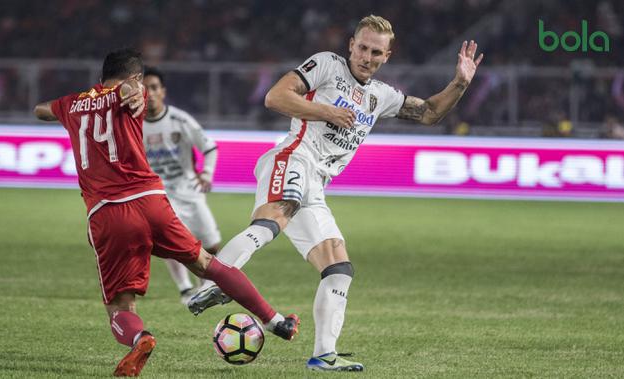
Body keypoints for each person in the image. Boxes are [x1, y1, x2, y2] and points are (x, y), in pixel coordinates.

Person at [188, 15, 483, 372]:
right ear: (351, 45)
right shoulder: (327, 65)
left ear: (387, 56)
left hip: (317, 187)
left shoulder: (382, 96)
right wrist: (325, 110)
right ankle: (218, 278)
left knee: (338, 267)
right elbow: (275, 97)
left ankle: (323, 355)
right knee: (277, 216)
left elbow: (430, 113)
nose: (367, 56)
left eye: (376, 51)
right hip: (293, 158)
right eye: (362, 47)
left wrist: (460, 83)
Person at [33, 48, 299, 377]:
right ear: (135, 76)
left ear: (102, 79)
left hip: (108, 212)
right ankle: (276, 321)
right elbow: (132, 92)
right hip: (152, 201)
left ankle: (140, 338)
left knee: (120, 306)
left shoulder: (72, 104)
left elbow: (40, 109)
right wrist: (131, 92)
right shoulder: (132, 90)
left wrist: (73, 104)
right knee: (207, 263)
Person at [142, 67, 222, 304]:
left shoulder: (180, 119)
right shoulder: (133, 124)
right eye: (145, 88)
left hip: (189, 190)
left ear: (163, 91)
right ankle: (185, 289)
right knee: (171, 242)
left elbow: (209, 147)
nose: (150, 93)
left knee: (212, 244)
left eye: (154, 87)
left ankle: (205, 286)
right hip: (159, 193)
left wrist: (206, 173)